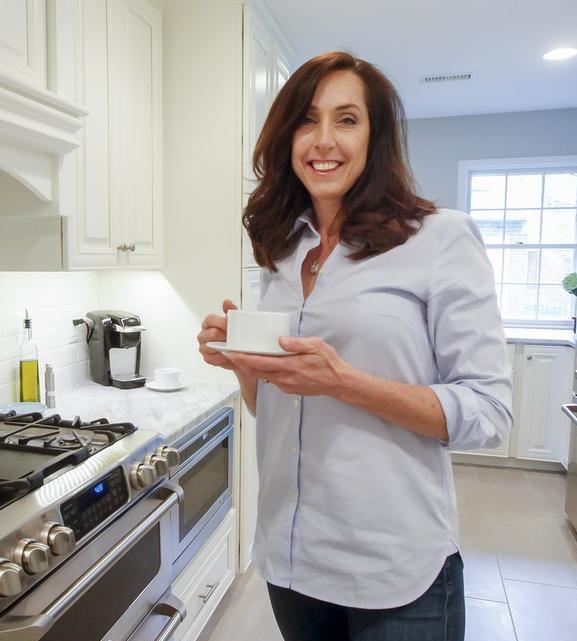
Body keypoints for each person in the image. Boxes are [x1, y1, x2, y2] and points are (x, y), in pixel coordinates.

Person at [196, 51, 512, 641]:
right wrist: (245, 364)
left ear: (376, 138)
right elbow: (283, 409)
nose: (323, 141)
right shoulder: (286, 248)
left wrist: (343, 381)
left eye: (346, 120)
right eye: (306, 120)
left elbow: (490, 414)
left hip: (395, 570)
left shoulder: (439, 238)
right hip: (293, 559)